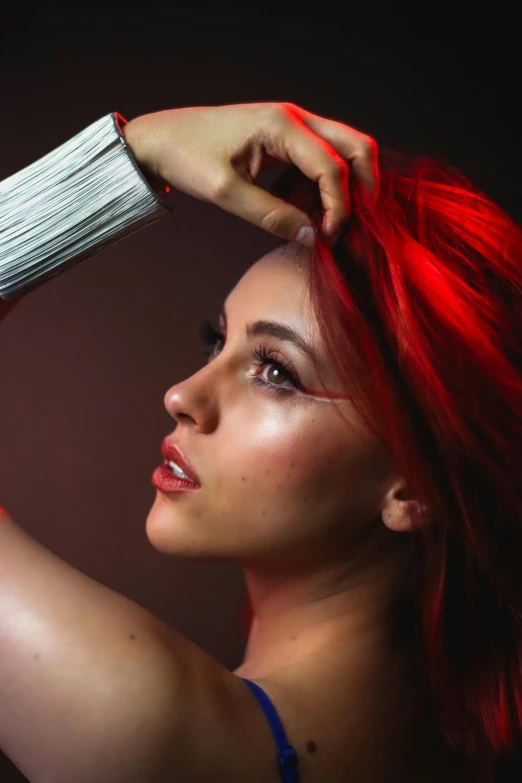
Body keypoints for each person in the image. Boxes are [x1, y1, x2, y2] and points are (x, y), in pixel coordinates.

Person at [0, 102, 520, 782]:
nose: (182, 395)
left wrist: (137, 156)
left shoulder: (142, 727)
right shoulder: (459, 745)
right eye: (218, 341)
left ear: (414, 484)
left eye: (277, 371)